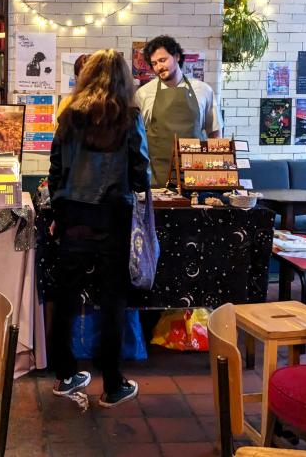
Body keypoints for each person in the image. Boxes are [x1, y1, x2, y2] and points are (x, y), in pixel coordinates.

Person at [48, 49, 151, 408]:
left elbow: (56, 168)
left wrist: (59, 210)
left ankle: (65, 375)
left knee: (66, 297)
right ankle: (112, 383)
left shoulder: (70, 116)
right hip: (113, 218)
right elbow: (141, 173)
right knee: (112, 300)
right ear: (125, 80)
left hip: (73, 215)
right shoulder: (129, 116)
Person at [135, 35, 222, 188]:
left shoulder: (203, 90)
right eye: (154, 63)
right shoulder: (143, 93)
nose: (159, 67)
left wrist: (215, 175)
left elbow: (214, 133)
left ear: (177, 56)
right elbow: (137, 139)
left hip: (196, 177)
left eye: (163, 60)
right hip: (156, 179)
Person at [55, 54, 89, 123]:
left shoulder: (109, 104)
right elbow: (59, 131)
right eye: (85, 75)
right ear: (76, 77)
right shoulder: (67, 102)